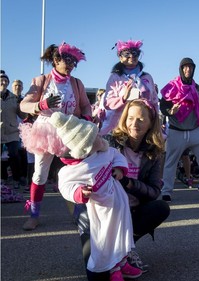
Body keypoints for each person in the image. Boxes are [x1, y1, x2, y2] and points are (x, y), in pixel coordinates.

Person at [74, 99, 170, 280]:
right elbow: (83, 169)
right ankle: (111, 251)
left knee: (161, 207)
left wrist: (129, 183)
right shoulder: (108, 142)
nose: (134, 124)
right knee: (97, 276)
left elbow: (155, 191)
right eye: (130, 118)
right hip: (98, 213)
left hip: (128, 212)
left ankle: (125, 248)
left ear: (151, 122)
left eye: (141, 119)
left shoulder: (155, 152)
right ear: (124, 119)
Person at [48, 112, 142, 281]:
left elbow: (116, 155)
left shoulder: (104, 152)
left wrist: (120, 169)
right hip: (101, 211)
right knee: (107, 240)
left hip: (119, 204)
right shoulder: (70, 171)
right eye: (95, 137)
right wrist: (79, 193)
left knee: (123, 234)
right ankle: (113, 270)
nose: (100, 138)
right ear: (85, 147)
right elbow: (65, 186)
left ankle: (122, 262)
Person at [19, 42, 92, 231]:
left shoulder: (77, 83)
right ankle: (34, 215)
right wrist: (41, 105)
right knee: (40, 174)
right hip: (45, 133)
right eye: (67, 60)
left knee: (78, 171)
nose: (70, 65)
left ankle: (79, 212)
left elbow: (85, 105)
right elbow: (23, 105)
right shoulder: (40, 81)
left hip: (70, 131)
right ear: (55, 59)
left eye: (74, 62)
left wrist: (85, 118)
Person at [159, 58, 199, 202]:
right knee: (171, 161)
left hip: (195, 130)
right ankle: (167, 191)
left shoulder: (198, 89)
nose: (188, 70)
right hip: (176, 130)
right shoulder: (171, 86)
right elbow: (163, 106)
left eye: (190, 67)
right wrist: (171, 111)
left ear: (194, 69)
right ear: (181, 69)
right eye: (185, 67)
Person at [102, 39, 159, 136]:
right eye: (126, 54)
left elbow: (154, 101)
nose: (131, 56)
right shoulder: (115, 77)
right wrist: (123, 98)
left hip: (142, 127)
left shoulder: (147, 77)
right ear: (120, 57)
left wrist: (155, 121)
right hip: (119, 127)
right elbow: (107, 103)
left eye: (135, 53)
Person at [1, 70, 26, 189]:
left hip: (12, 131)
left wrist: (23, 108)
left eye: (6, 80)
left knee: (14, 154)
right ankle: (3, 178)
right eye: (1, 80)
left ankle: (17, 178)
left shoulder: (13, 98)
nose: (4, 82)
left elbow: (22, 116)